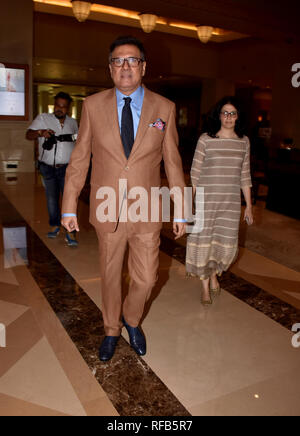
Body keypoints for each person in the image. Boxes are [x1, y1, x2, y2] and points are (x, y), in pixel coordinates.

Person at [61, 36, 186, 361]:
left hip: (147, 210)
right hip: (107, 209)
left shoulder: (164, 109)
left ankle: (132, 320)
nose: (125, 66)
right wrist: (69, 206)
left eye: (132, 60)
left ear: (144, 67)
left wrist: (181, 209)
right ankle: (111, 329)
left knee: (146, 279)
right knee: (110, 275)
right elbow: (80, 158)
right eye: (119, 61)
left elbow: (173, 162)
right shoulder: (92, 105)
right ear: (110, 68)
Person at [186, 96, 253, 305]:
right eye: (225, 112)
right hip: (207, 201)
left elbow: (245, 175)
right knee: (203, 241)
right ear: (219, 115)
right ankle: (205, 286)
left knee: (224, 242)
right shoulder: (206, 139)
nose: (228, 117)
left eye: (233, 113)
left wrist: (249, 206)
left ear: (238, 116)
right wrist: (190, 203)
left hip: (230, 204)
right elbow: (195, 172)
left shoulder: (244, 142)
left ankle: (214, 273)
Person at [26, 92, 79, 247]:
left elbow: (79, 142)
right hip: (48, 168)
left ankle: (70, 232)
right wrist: (40, 132)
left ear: (68, 108)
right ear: (54, 104)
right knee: (51, 199)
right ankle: (55, 225)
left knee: (70, 199)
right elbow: (28, 135)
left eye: (63, 106)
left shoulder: (73, 123)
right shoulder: (43, 118)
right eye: (57, 105)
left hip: (68, 168)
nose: (59, 109)